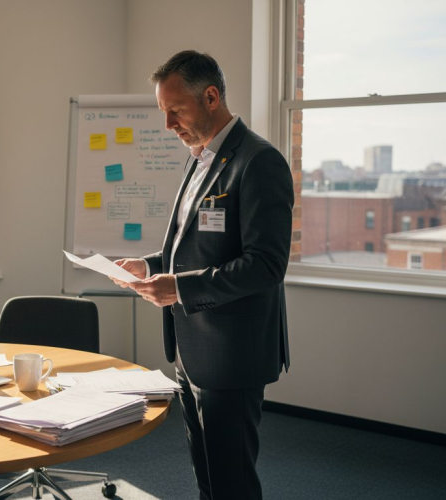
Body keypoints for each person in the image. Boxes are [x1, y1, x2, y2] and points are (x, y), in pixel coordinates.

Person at [110, 50, 293, 500]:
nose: (168, 124)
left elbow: (266, 265)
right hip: (192, 349)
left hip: (232, 353)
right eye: (164, 112)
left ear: (211, 97)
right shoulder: (199, 158)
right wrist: (151, 265)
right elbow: (193, 245)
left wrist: (180, 288)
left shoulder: (258, 161)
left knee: (232, 481)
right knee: (207, 476)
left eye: (176, 111)